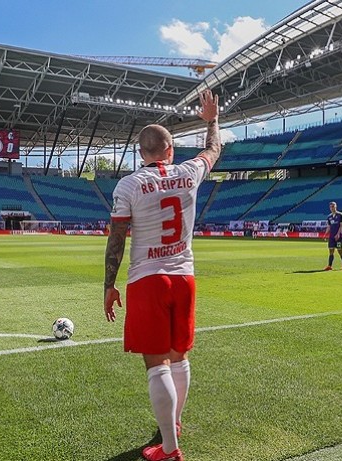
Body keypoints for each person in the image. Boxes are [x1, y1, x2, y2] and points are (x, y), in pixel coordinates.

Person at [103, 90, 220, 461]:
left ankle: (169, 449)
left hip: (147, 279)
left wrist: (109, 285)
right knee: (180, 357)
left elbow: (117, 239)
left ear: (143, 154)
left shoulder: (129, 185)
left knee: (157, 364)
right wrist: (211, 120)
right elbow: (214, 150)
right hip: (184, 277)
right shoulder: (189, 172)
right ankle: (175, 423)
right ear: (170, 150)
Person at [324, 202, 342, 271]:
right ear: (329, 208)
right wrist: (325, 234)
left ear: (336, 207)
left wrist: (338, 234)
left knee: (340, 251)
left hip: (338, 237)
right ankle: (329, 266)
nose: (332, 208)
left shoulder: (340, 215)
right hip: (331, 237)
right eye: (331, 207)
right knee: (331, 251)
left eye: (333, 206)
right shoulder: (329, 217)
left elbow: (341, 225)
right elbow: (328, 226)